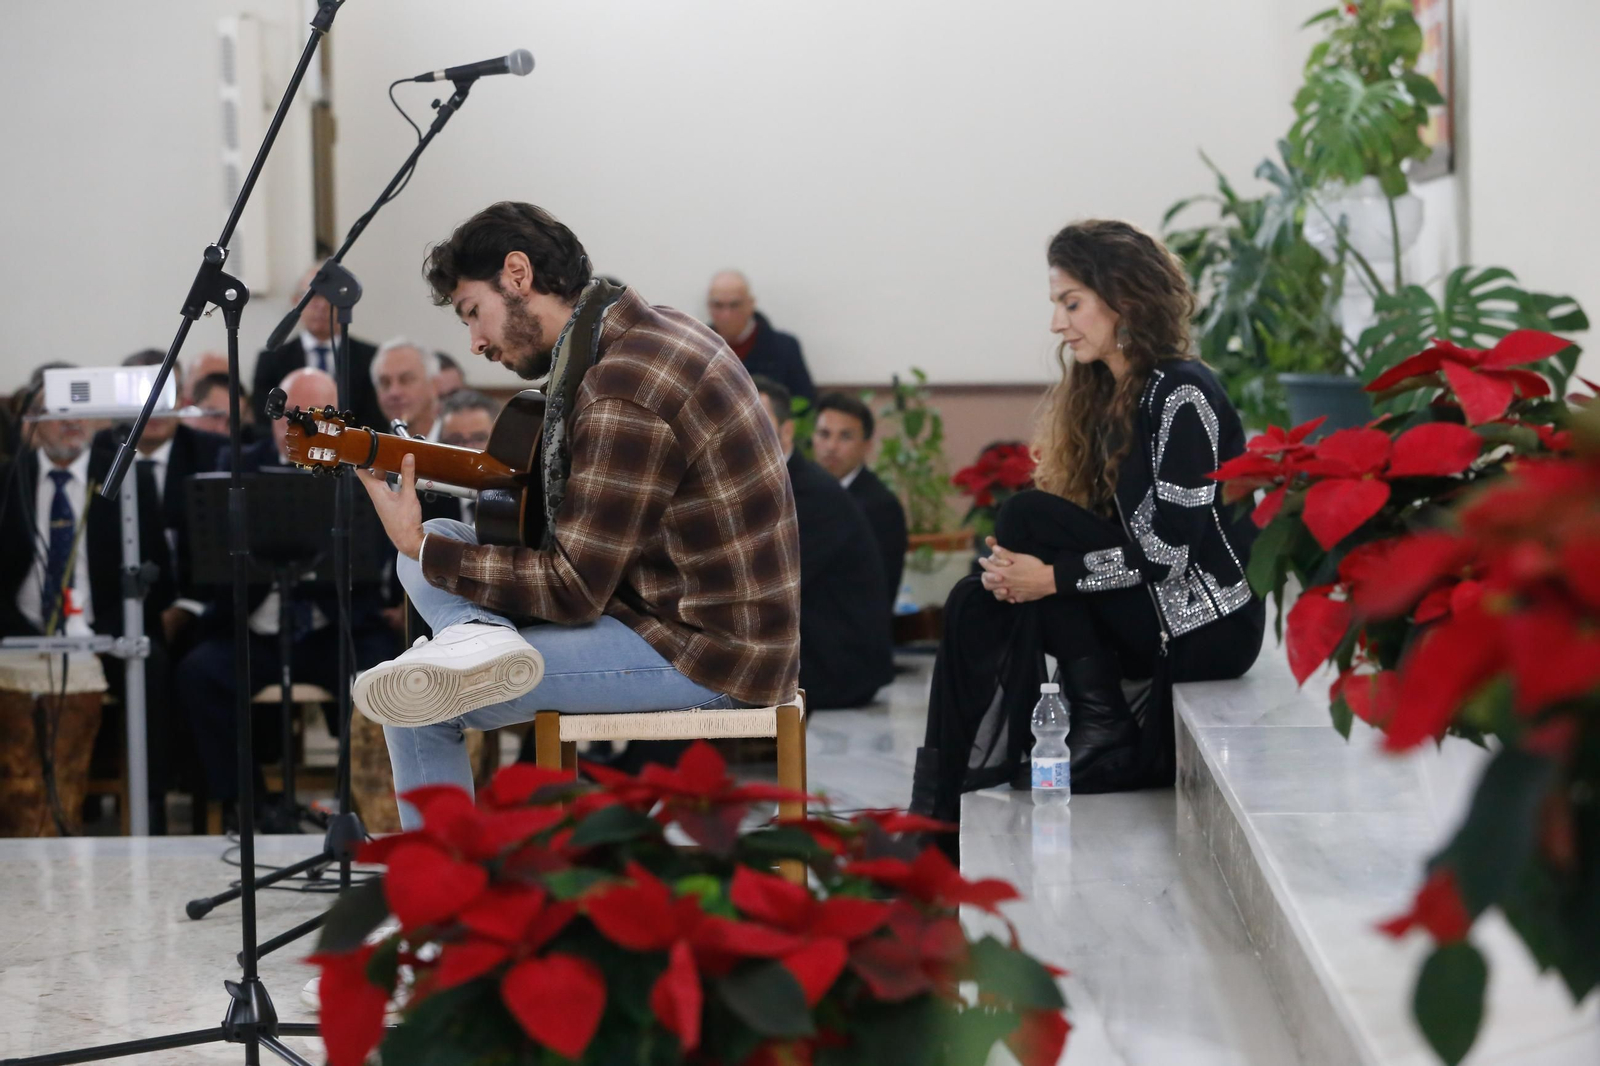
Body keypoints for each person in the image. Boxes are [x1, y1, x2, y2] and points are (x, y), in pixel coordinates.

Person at [354, 202, 800, 828]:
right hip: (659, 608)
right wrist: (429, 546)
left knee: (417, 695)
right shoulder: (637, 332)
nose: (476, 342)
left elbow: (572, 590)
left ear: (517, 274)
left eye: (472, 313)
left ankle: (447, 910)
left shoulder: (624, 382)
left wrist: (418, 546)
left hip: (710, 653)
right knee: (436, 544)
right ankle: (479, 640)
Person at [909, 220, 1266, 845]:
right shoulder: (1113, 390)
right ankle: (1088, 727)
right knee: (985, 591)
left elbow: (1170, 552)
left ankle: (1098, 727)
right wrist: (1022, 577)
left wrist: (1052, 577)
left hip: (1208, 627)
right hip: (1150, 609)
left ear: (1123, 298)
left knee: (1025, 529)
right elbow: (1106, 533)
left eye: (1070, 303)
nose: (1057, 324)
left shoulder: (1183, 394)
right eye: (1057, 305)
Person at [174, 367, 397, 824]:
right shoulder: (235, 466)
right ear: (277, 416)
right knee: (199, 674)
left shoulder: (357, 469)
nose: (314, 423)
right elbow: (212, 563)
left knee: (382, 671)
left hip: (329, 628)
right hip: (255, 628)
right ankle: (251, 806)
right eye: (300, 413)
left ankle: (356, 805)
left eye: (326, 414)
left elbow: (371, 569)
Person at [0, 361, 177, 830]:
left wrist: (113, 629)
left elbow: (158, 575)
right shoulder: (7, 480)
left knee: (153, 664)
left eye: (79, 409)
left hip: (106, 630)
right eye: (55, 411)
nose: (70, 422)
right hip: (19, 631)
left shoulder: (124, 476)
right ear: (29, 423)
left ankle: (150, 805)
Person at [753, 377, 893, 709]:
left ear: (786, 432)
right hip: (811, 654)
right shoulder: (778, 483)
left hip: (837, 668)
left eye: (756, 420)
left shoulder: (813, 495)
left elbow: (765, 584)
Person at [252, 262, 382, 431]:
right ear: (296, 301)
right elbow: (264, 420)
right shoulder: (272, 360)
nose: (322, 305)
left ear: (345, 302)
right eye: (313, 295)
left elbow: (375, 419)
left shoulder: (370, 358)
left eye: (330, 296)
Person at [811, 391, 908, 610]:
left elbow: (878, 593)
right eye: (824, 434)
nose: (831, 446)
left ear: (867, 446)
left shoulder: (881, 507)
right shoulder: (805, 495)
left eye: (845, 436)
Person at [706, 270, 815, 404]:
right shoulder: (698, 349)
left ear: (751, 304)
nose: (726, 314)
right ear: (709, 307)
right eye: (718, 305)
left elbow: (804, 405)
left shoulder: (785, 349)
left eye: (734, 305)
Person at [438, 389, 502, 526]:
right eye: (456, 440)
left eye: (478, 438)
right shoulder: (428, 501)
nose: (468, 449)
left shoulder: (518, 500)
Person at [371, 339, 443, 440]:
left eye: (406, 380)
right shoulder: (368, 450)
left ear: (434, 385)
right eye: (385, 383)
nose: (394, 392)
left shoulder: (462, 441)